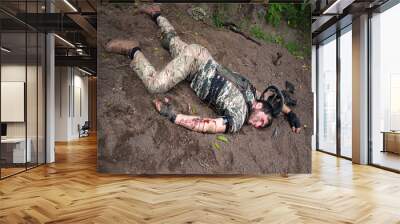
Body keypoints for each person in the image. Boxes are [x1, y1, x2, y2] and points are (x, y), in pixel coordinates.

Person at [105, 5, 301, 134]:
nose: (257, 125)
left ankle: (156, 13)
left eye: (262, 126)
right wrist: (173, 116)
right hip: (194, 63)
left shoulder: (252, 94)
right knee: (156, 84)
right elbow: (207, 125)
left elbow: (270, 99)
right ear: (259, 106)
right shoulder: (239, 117)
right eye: (262, 120)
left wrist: (289, 113)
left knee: (171, 41)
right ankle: (132, 50)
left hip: (200, 56)